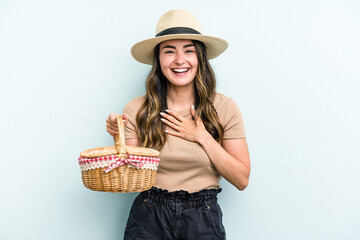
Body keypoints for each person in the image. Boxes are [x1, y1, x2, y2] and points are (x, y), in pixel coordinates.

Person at [106, 9, 250, 240]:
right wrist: (119, 135)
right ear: (159, 59)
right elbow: (129, 176)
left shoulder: (224, 107)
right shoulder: (137, 109)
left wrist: (201, 136)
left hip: (203, 218)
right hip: (149, 216)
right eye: (169, 51)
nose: (179, 60)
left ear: (199, 57)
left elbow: (242, 179)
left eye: (188, 50)